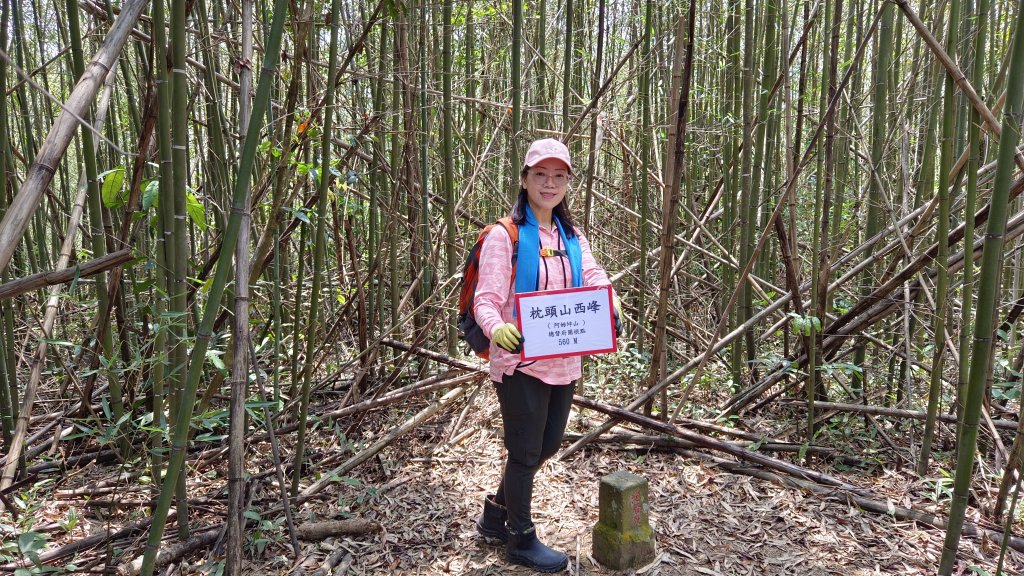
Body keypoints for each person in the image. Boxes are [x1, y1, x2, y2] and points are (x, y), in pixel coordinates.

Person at [472, 138, 619, 573]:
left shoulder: (572, 236)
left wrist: (609, 297)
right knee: (523, 451)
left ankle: (495, 514)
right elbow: (486, 299)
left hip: (564, 359)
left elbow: (592, 274)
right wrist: (498, 327)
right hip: (520, 362)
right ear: (525, 180)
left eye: (558, 176)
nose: (549, 183)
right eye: (540, 174)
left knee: (547, 444)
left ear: (568, 182)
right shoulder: (505, 236)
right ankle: (519, 537)